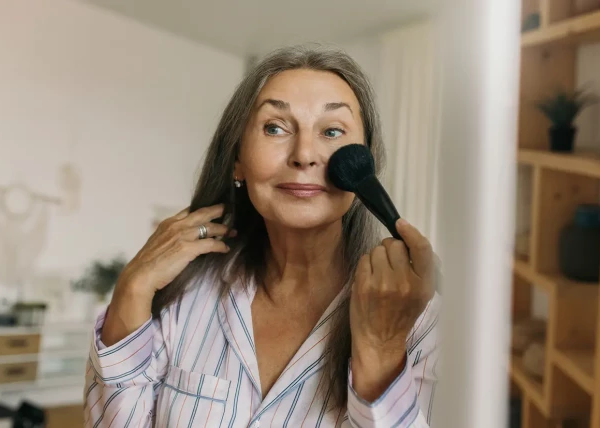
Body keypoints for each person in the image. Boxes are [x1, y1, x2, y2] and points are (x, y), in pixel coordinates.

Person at [84, 44, 440, 428]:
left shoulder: (421, 323)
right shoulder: (185, 296)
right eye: (275, 127)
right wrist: (131, 287)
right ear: (238, 159)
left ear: (366, 163)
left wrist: (381, 351)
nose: (304, 154)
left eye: (332, 131)